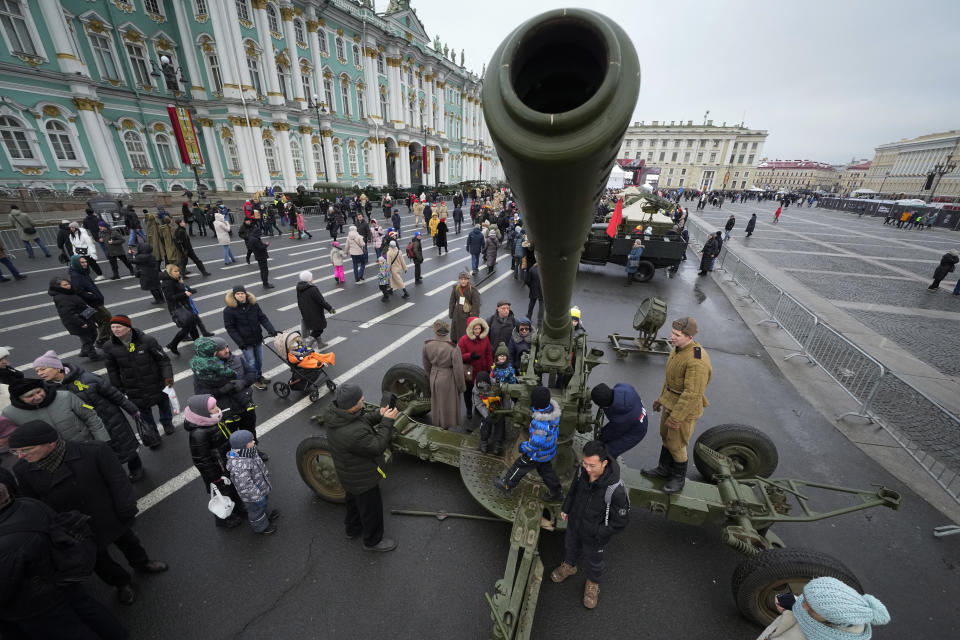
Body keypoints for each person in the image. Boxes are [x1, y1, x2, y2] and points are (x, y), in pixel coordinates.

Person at [10, 422, 168, 605]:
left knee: (128, 541)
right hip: (73, 526)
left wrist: (126, 508)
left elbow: (117, 481)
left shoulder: (94, 451)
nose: (20, 456)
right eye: (16, 452)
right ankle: (121, 583)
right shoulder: (22, 470)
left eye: (26, 450)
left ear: (50, 443)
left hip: (107, 513)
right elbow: (34, 501)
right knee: (98, 561)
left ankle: (142, 563)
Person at [0, 483, 131, 639]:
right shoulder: (29, 503)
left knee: (70, 633)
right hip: (62, 577)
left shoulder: (5, 543)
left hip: (37, 605)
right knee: (90, 611)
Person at [33, 351, 143, 482]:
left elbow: (115, 395)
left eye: (43, 369)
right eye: (37, 371)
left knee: (124, 446)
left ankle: (136, 467)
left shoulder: (88, 378)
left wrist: (133, 411)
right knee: (100, 454)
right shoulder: (48, 391)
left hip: (110, 419)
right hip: (84, 428)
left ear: (57, 367)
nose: (40, 373)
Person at [550, 439, 629, 610]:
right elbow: (573, 491)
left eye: (592, 466)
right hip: (575, 524)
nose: (587, 469)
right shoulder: (581, 472)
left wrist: (599, 532)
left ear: (604, 463)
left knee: (595, 561)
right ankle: (569, 566)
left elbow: (620, 522)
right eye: (585, 463)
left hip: (595, 535)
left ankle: (593, 583)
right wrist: (567, 508)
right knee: (570, 547)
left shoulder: (615, 490)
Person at [324, 383, 399, 552]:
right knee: (371, 510)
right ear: (352, 405)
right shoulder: (353, 434)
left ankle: (352, 529)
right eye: (360, 399)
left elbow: (359, 421)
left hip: (349, 474)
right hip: (363, 478)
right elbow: (378, 446)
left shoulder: (336, 415)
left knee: (352, 501)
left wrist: (379, 415)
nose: (363, 398)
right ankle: (372, 541)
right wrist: (388, 421)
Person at [642, 317, 712, 493]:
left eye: (677, 335)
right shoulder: (678, 349)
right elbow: (671, 380)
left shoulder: (696, 360)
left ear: (689, 337)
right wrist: (661, 399)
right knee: (665, 436)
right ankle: (664, 469)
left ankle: (678, 479)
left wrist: (676, 418)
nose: (672, 337)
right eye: (673, 333)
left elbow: (692, 394)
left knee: (677, 444)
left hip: (684, 409)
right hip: (672, 402)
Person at [101, 315, 176, 438]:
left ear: (128, 327)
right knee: (143, 412)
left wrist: (167, 377)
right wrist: (117, 387)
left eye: (118, 326)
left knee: (163, 404)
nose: (115, 329)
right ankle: (152, 435)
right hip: (133, 387)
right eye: (113, 327)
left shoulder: (147, 341)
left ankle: (167, 422)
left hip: (156, 382)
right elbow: (112, 370)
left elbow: (163, 360)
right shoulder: (109, 347)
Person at [183, 394, 247, 529]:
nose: (218, 409)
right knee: (222, 494)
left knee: (233, 489)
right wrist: (215, 478)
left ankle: (238, 509)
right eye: (213, 408)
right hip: (218, 472)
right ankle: (223, 520)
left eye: (216, 405)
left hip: (225, 464)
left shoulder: (211, 420)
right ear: (202, 412)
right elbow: (202, 461)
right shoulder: (198, 434)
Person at [756, 576, 890, 640]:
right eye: (806, 598)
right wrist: (790, 604)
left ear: (834, 620)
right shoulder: (822, 614)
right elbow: (804, 608)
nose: (803, 606)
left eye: (812, 608)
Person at [493, 386, 562, 501]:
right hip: (546, 452)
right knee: (547, 473)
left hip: (535, 454)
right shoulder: (553, 414)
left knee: (519, 467)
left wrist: (524, 447)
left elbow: (536, 444)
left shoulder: (539, 422)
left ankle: (506, 484)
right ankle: (556, 492)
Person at [2, 378, 111, 444]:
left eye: (39, 391)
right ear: (18, 398)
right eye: (30, 396)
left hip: (86, 445)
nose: (38, 397)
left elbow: (90, 416)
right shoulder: (10, 414)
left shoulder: (66, 396)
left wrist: (102, 441)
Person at [223, 285, 278, 390]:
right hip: (245, 342)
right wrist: (240, 342)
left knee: (259, 360)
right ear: (234, 296)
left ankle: (258, 375)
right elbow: (230, 328)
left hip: (257, 338)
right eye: (238, 294)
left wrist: (271, 329)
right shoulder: (229, 310)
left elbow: (262, 318)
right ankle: (254, 380)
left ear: (246, 294)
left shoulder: (254, 305)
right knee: (251, 362)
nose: (240, 295)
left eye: (242, 293)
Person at [225, 430, 278, 534]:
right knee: (255, 511)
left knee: (263, 504)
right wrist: (256, 496)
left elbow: (259, 464)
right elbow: (245, 485)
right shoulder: (239, 466)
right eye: (250, 441)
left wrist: (265, 474)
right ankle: (261, 527)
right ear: (242, 446)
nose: (253, 442)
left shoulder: (249, 452)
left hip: (260, 487)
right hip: (252, 495)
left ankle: (267, 514)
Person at [421, 321, 465, 431]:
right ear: (447, 331)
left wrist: (431, 374)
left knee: (436, 402)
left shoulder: (427, 345)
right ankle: (447, 425)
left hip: (434, 375)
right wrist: (461, 387)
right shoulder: (453, 348)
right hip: (448, 377)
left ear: (435, 330)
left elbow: (426, 365)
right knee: (448, 403)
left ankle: (438, 424)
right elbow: (458, 370)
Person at [161, 264, 213, 354]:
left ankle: (196, 346)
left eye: (178, 271)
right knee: (187, 328)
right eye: (175, 271)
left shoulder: (176, 279)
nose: (178, 273)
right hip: (178, 309)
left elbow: (182, 288)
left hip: (186, 306)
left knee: (192, 327)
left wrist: (189, 290)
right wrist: (184, 294)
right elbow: (170, 298)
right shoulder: (167, 283)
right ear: (170, 272)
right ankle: (173, 344)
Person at [590, 383, 648, 459]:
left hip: (636, 431)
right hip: (636, 412)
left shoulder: (621, 419)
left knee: (609, 451)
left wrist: (600, 440)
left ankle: (607, 468)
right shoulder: (623, 387)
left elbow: (612, 432)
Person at [47, 277, 100, 359]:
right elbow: (67, 314)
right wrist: (81, 323)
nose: (68, 286)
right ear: (58, 287)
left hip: (85, 317)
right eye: (65, 285)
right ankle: (93, 356)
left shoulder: (68, 293)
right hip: (79, 321)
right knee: (87, 339)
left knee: (93, 334)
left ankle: (84, 351)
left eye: (68, 284)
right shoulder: (62, 298)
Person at [68, 255, 113, 347]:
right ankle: (102, 340)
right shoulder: (76, 276)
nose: (85, 264)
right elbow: (78, 291)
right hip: (92, 304)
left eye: (85, 262)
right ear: (76, 264)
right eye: (82, 262)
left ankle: (105, 339)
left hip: (94, 302)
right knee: (106, 318)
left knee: (102, 320)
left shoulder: (82, 272)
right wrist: (91, 296)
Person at [458, 317, 493, 421]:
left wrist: (490, 368)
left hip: (482, 371)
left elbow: (488, 354)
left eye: (479, 328)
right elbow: (459, 356)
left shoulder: (485, 338)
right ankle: (469, 409)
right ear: (471, 329)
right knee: (468, 393)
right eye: (475, 329)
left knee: (481, 392)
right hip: (470, 373)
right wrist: (470, 356)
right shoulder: (463, 340)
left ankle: (478, 408)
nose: (478, 331)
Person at [297, 271, 336, 349]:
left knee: (316, 327)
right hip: (315, 312)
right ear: (308, 279)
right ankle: (307, 346)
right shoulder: (313, 289)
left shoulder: (299, 288)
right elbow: (321, 301)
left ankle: (320, 343)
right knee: (319, 329)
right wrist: (330, 308)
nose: (313, 278)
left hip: (305, 312)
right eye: (311, 277)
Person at [473, 371, 506, 454]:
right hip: (487, 409)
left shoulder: (498, 385)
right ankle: (484, 441)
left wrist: (503, 410)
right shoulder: (476, 390)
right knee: (486, 422)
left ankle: (498, 443)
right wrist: (486, 414)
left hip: (499, 408)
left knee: (500, 422)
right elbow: (478, 404)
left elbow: (506, 399)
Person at [448, 271, 482, 342]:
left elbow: (476, 304)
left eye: (465, 279)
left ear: (468, 280)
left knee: (465, 333)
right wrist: (451, 313)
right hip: (457, 314)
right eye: (461, 279)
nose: (463, 281)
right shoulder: (456, 288)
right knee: (456, 331)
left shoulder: (472, 290)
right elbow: (452, 301)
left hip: (467, 315)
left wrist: (473, 317)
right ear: (459, 279)